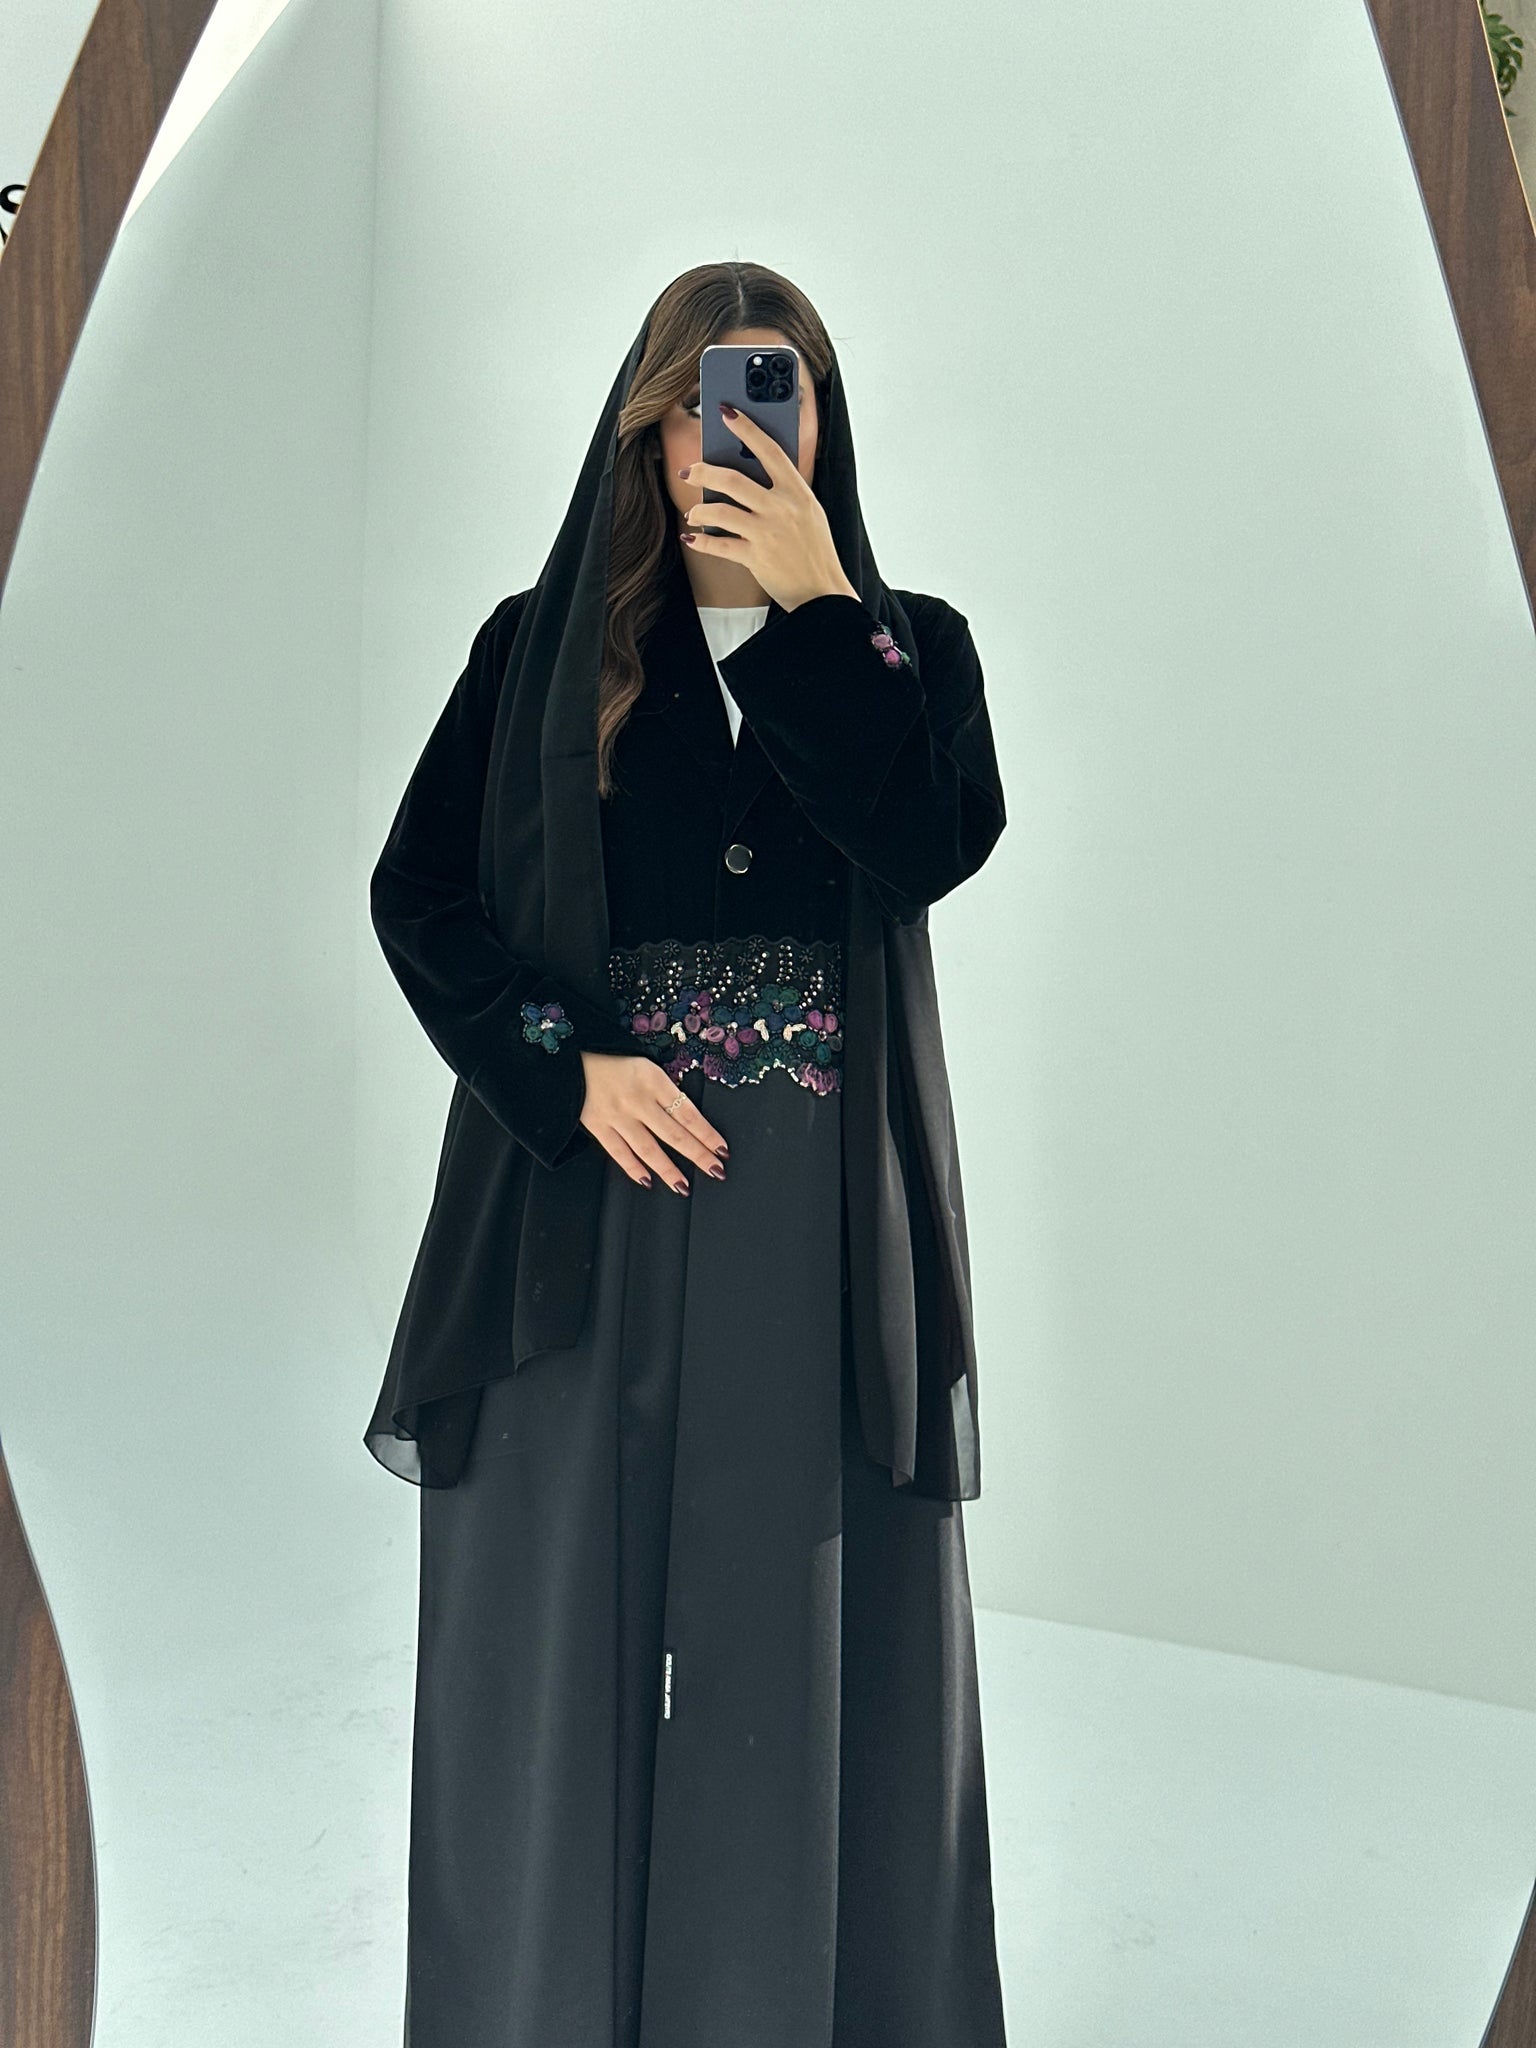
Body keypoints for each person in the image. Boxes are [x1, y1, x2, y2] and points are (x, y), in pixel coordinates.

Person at [365, 261, 1010, 2047]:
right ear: (647, 430)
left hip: (816, 1218)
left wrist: (818, 614)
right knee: (549, 1622)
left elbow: (933, 845)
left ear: (821, 422)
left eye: (776, 394)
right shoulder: (539, 650)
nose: (733, 436)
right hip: (580, 1200)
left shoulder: (911, 650)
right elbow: (419, 896)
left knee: (795, 1632)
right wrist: (567, 1068)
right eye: (701, 404)